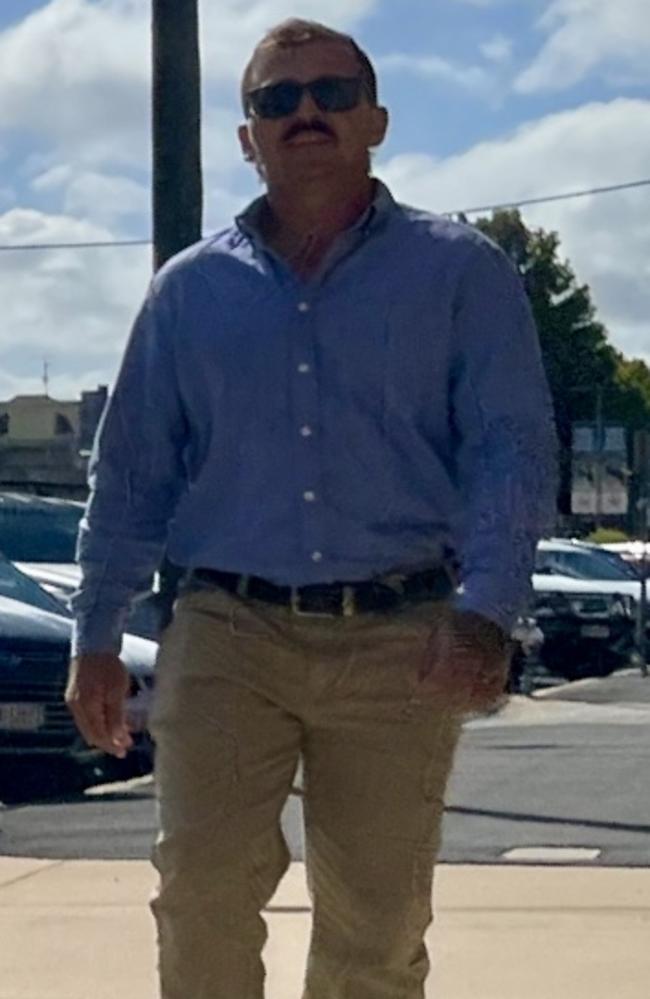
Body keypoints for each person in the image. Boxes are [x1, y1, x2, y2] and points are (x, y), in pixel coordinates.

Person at [66, 18, 557, 999]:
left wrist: (483, 612)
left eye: (330, 95)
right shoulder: (187, 293)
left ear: (373, 119)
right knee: (200, 891)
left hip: (397, 637)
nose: (304, 114)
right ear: (245, 136)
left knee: (373, 925)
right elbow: (131, 474)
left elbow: (509, 448)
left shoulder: (460, 273)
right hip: (224, 626)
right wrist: (94, 633)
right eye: (274, 100)